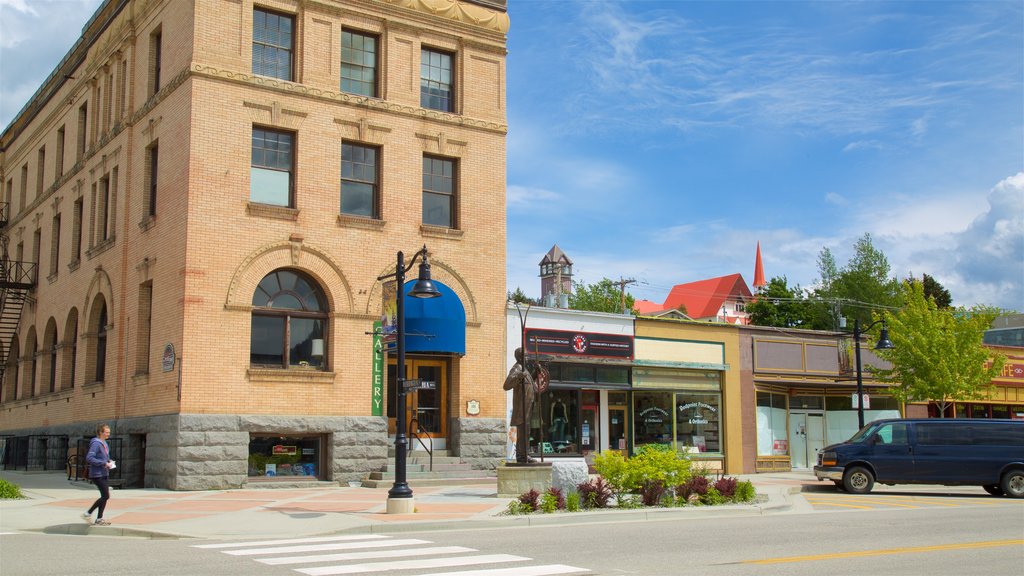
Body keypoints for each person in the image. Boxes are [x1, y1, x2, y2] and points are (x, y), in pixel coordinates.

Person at [503, 348, 536, 463]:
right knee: (523, 433)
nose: (527, 358)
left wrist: (535, 374)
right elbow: (506, 385)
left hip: (527, 406)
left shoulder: (525, 370)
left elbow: (532, 387)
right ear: (520, 357)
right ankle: (522, 456)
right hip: (521, 407)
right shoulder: (517, 368)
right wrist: (518, 376)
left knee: (526, 432)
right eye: (526, 356)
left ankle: (524, 454)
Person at [82, 423, 114, 526]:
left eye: (109, 432)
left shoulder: (105, 443)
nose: (108, 434)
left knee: (104, 496)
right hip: (97, 474)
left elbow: (104, 457)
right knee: (106, 496)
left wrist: (109, 462)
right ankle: (88, 513)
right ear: (100, 432)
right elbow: (89, 458)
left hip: (104, 472)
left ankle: (99, 519)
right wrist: (103, 463)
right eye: (106, 432)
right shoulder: (96, 443)